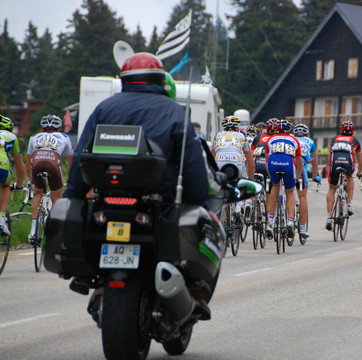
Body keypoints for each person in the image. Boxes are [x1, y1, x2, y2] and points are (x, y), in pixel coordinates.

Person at [65, 53, 213, 300]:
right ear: (159, 79)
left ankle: (85, 269)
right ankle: (193, 282)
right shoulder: (174, 112)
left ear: (125, 79)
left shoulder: (105, 107)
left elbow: (82, 153)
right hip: (159, 201)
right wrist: (200, 201)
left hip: (108, 196)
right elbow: (192, 162)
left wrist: (73, 195)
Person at [26, 115, 73, 242]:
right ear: (59, 129)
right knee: (56, 197)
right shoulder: (64, 137)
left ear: (42, 129)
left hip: (37, 163)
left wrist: (31, 182)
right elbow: (71, 163)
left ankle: (33, 231)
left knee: (38, 193)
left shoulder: (34, 138)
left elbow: (28, 166)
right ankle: (56, 231)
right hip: (53, 164)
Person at [266, 118, 303, 237]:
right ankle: (290, 221)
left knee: (275, 187)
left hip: (273, 163)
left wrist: (271, 175)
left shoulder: (270, 139)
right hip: (288, 163)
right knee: (290, 192)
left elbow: (267, 160)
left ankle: (270, 221)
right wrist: (296, 178)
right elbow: (299, 163)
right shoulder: (294, 140)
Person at [212, 115, 254, 216]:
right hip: (237, 162)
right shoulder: (242, 136)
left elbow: (211, 157)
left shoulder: (217, 136)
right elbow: (251, 162)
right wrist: (251, 179)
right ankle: (238, 208)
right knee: (242, 182)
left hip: (219, 162)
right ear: (237, 128)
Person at [325, 121, 362, 230]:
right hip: (347, 163)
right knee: (350, 177)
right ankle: (350, 203)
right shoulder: (355, 141)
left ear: (341, 130)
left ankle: (329, 216)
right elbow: (360, 162)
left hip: (335, 163)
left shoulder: (335, 139)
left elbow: (330, 156)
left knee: (332, 189)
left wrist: (330, 169)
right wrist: (360, 173)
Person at [293, 123, 320, 238]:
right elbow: (314, 162)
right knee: (303, 197)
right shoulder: (310, 141)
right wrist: (315, 177)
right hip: (300, 166)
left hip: (288, 164)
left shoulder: (291, 139)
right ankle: (303, 228)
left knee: (286, 191)